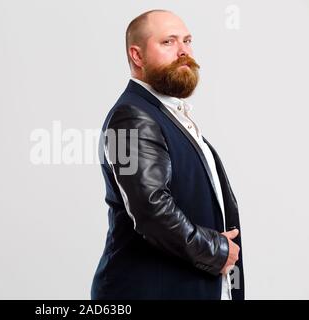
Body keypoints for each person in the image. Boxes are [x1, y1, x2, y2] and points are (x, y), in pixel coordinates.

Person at [91, 9, 244, 300]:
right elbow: (151, 211)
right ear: (137, 56)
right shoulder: (132, 116)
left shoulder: (163, 114)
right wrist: (217, 251)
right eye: (168, 42)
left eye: (187, 41)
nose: (184, 51)